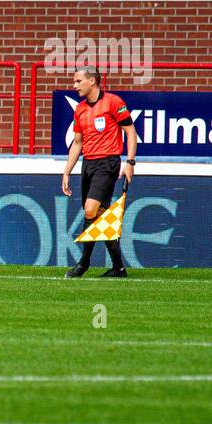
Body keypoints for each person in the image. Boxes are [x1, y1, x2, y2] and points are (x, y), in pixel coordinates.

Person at [61, 66, 137, 278]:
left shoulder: (113, 102)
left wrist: (130, 162)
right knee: (101, 216)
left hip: (108, 163)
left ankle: (82, 265)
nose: (74, 85)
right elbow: (77, 143)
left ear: (92, 81)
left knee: (89, 210)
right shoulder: (80, 109)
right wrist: (67, 172)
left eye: (78, 81)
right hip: (88, 165)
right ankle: (118, 268)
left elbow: (130, 132)